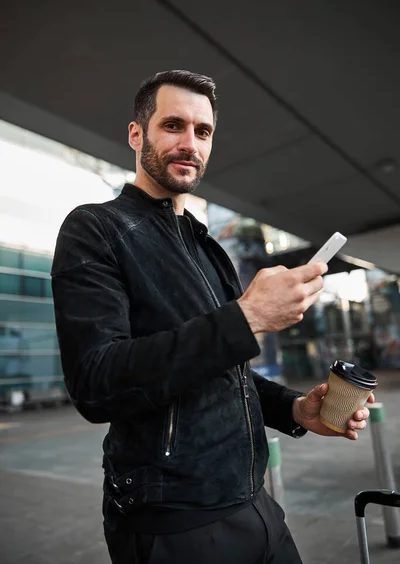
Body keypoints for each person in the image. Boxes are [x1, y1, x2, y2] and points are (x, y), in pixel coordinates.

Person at [51, 70, 374, 564]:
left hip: (255, 502)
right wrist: (246, 318)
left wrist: (295, 410)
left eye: (203, 132)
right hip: (172, 521)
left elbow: (226, 372)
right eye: (173, 125)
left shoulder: (208, 248)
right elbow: (96, 382)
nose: (190, 143)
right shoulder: (95, 229)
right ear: (137, 134)